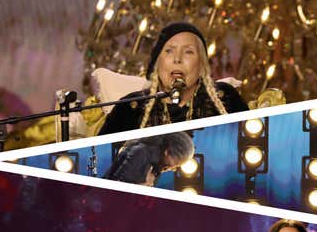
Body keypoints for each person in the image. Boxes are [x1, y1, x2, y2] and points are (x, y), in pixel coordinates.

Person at [98, 22, 248, 135]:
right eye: (169, 51)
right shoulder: (131, 107)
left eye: (188, 52)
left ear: (201, 65)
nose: (177, 59)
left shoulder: (225, 97)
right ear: (157, 63)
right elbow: (98, 159)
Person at [104, 131, 194, 186]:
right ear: (167, 152)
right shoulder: (140, 152)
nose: (173, 169)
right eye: (175, 164)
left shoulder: (157, 165)